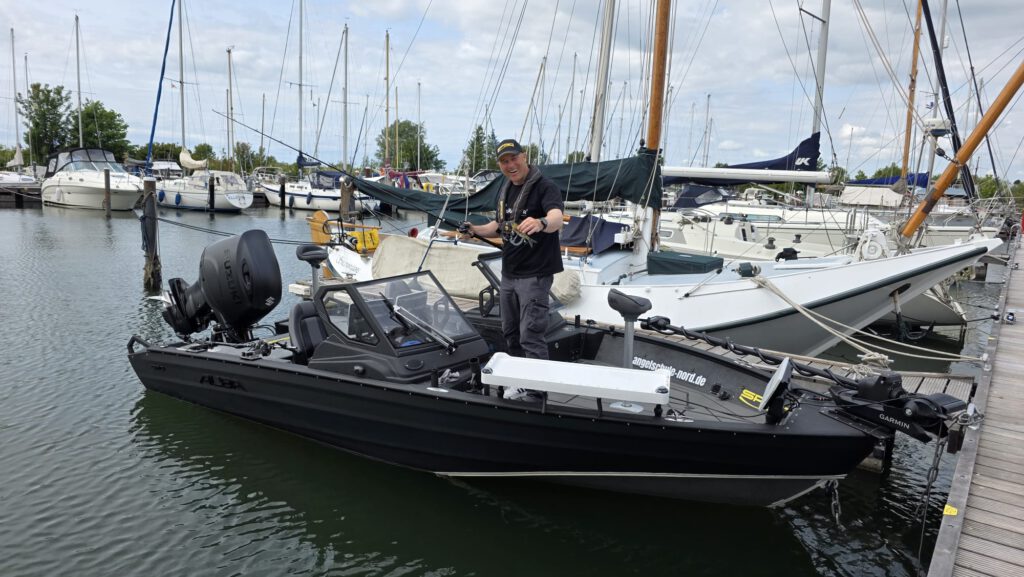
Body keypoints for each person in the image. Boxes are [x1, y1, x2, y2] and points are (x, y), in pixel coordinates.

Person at [463, 138, 564, 364]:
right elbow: (498, 226)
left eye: (514, 158)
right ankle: (518, 378)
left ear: (524, 156)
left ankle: (537, 384)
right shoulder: (506, 189)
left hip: (535, 276)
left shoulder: (545, 187)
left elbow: (557, 218)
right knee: (510, 333)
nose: (510, 165)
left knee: (531, 336)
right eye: (504, 161)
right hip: (509, 275)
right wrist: (474, 229)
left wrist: (541, 223)